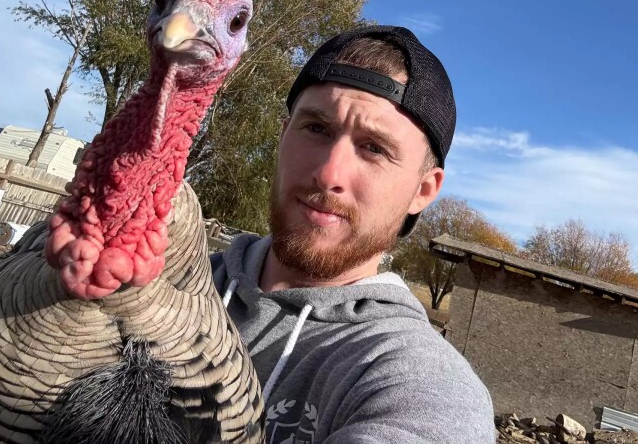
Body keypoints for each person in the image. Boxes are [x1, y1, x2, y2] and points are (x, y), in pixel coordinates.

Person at [210, 25, 496, 443]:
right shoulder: (160, 283)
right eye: (316, 129)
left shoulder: (418, 384)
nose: (329, 174)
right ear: (284, 134)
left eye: (374, 149)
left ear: (422, 191)